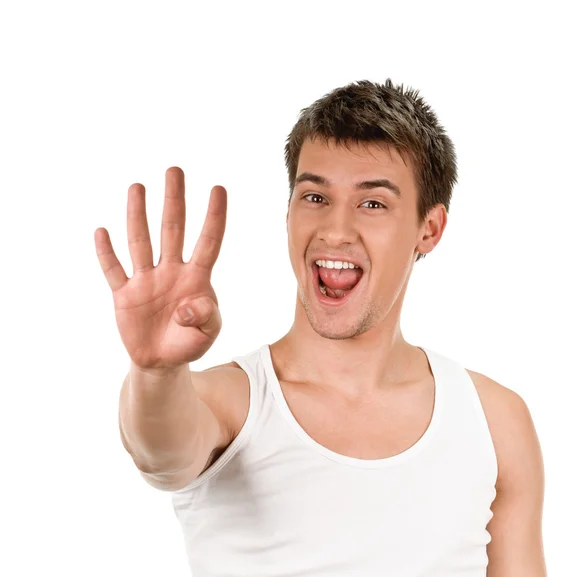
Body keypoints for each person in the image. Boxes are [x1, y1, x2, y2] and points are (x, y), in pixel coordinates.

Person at [94, 79, 547, 576]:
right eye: (314, 197)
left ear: (429, 228)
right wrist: (156, 373)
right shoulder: (231, 403)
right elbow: (160, 454)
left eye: (372, 203)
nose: (334, 230)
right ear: (288, 210)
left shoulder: (495, 421)